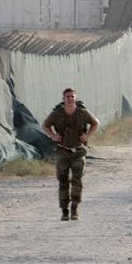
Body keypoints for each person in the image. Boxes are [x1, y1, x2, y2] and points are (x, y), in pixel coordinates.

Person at [43, 88, 100, 221]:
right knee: (63, 181)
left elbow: (95, 123)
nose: (70, 99)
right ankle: (64, 210)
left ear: (75, 98)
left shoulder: (82, 113)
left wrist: (88, 135)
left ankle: (74, 208)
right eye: (68, 96)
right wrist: (53, 136)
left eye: (72, 97)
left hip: (78, 151)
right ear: (63, 98)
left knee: (77, 179)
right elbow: (45, 125)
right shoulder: (57, 114)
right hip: (62, 151)